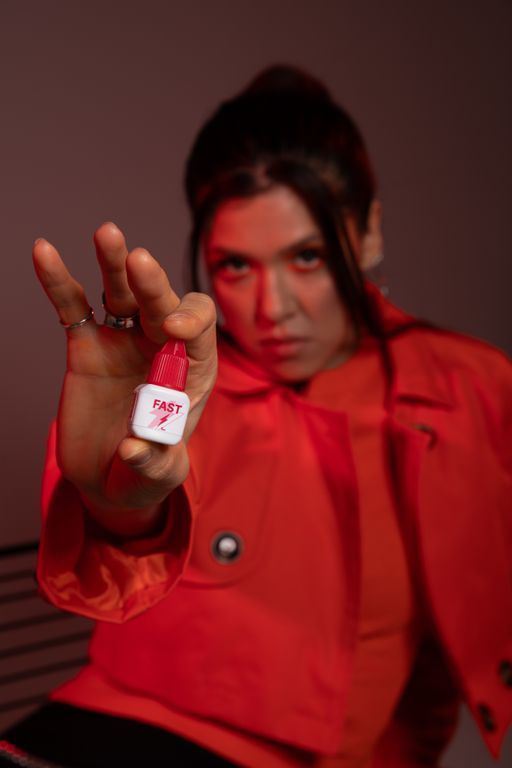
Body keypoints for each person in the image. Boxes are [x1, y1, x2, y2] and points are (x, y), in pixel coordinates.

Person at [2, 65, 511, 768]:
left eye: (307, 256)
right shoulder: (181, 388)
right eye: (236, 266)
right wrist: (118, 503)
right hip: (119, 723)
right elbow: (124, 546)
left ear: (368, 232)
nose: (274, 309)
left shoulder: (473, 384)